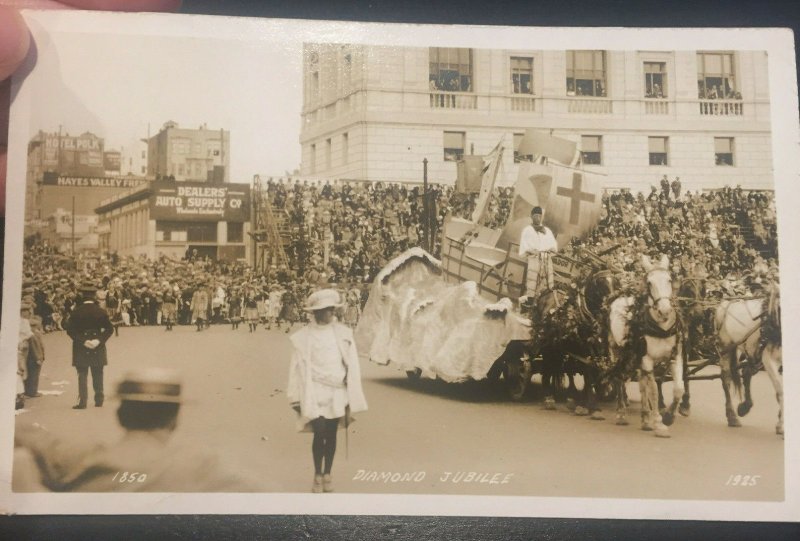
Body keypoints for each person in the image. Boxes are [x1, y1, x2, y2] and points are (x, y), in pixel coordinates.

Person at [13, 368, 257, 492]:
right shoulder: (202, 468)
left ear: (120, 415)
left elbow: (33, 438)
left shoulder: (78, 460)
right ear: (174, 419)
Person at [287, 289, 368, 493]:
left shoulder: (343, 334)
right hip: (313, 390)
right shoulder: (303, 337)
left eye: (332, 308)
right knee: (319, 431)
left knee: (331, 434)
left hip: (336, 391)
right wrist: (295, 396)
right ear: (316, 312)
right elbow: (295, 368)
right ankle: (317, 473)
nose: (330, 312)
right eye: (326, 309)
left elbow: (352, 365)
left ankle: (328, 473)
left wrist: (352, 393)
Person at [64, 282, 114, 409]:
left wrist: (82, 341)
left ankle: (83, 401)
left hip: (81, 344)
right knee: (98, 371)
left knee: (82, 372)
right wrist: (99, 340)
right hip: (97, 343)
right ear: (94, 296)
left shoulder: (76, 312)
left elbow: (70, 330)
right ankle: (99, 399)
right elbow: (109, 329)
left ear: (82, 296)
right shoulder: (101, 311)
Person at [518, 206, 557, 300]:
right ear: (531, 216)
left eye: (539, 216)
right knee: (533, 275)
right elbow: (524, 245)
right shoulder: (527, 230)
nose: (538, 218)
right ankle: (530, 297)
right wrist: (531, 251)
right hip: (533, 257)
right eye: (535, 216)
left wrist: (548, 252)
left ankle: (544, 295)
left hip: (545, 258)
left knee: (547, 278)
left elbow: (554, 247)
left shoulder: (547, 231)